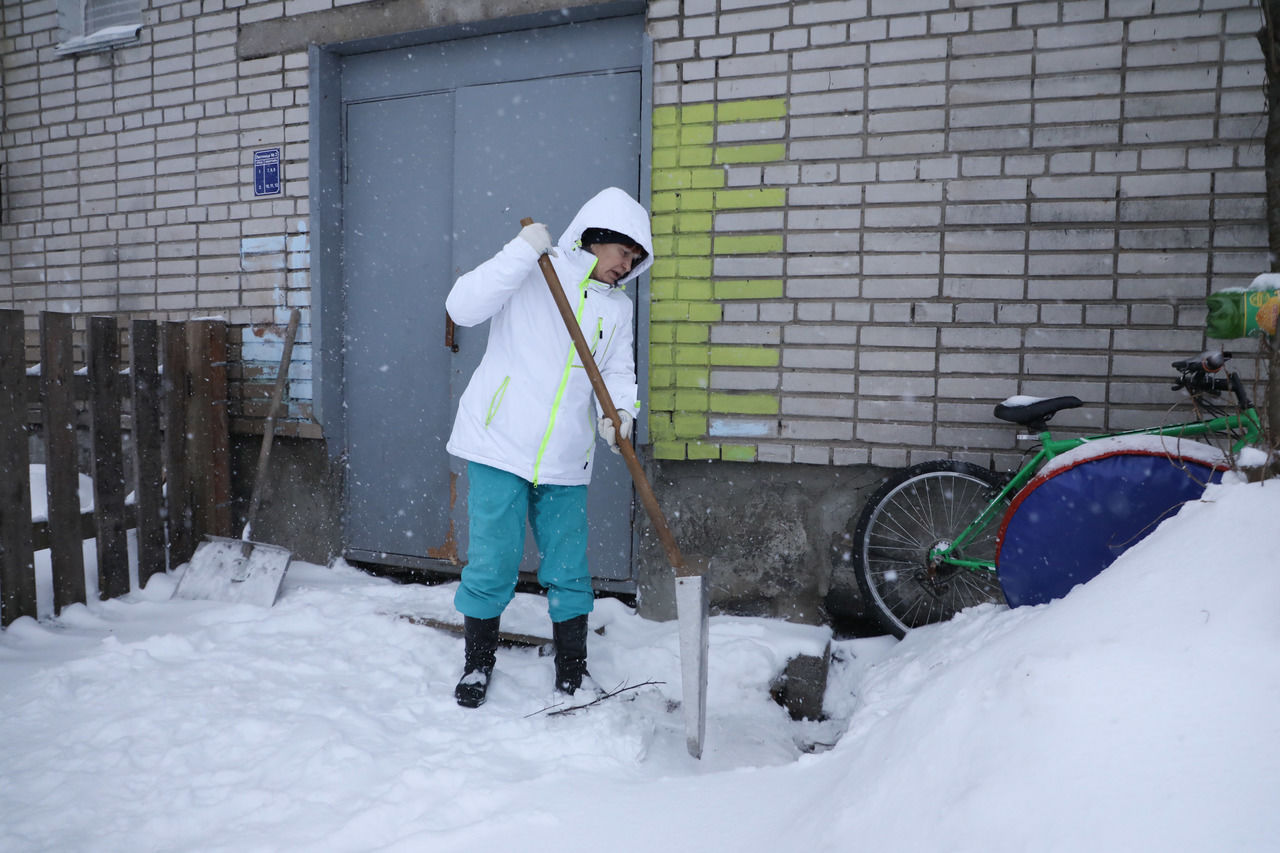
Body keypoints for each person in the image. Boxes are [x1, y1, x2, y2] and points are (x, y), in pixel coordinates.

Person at [444, 187, 654, 708]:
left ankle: (572, 667)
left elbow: (617, 372)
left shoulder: (617, 308)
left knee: (568, 568)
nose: (626, 267)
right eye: (622, 254)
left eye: (634, 261)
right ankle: (477, 663)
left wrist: (622, 412)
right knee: (493, 561)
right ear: (597, 238)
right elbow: (462, 306)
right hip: (500, 441)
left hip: (565, 454)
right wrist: (519, 250)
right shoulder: (537, 268)